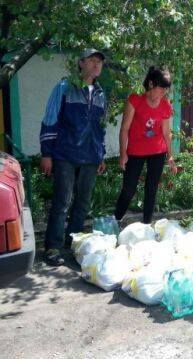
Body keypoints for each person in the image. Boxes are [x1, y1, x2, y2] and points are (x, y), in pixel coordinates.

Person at [39, 49, 107, 266]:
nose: (97, 65)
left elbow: (100, 129)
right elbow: (50, 119)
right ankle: (52, 247)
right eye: (92, 60)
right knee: (62, 202)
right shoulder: (64, 88)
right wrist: (46, 153)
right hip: (65, 154)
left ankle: (74, 244)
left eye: (100, 62)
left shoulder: (100, 94)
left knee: (83, 203)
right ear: (81, 63)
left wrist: (101, 155)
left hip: (90, 156)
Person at [114, 66, 176, 224]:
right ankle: (115, 220)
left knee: (151, 189)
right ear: (150, 84)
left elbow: (166, 132)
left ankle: (147, 225)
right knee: (129, 189)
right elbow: (124, 129)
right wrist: (123, 154)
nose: (163, 93)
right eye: (161, 89)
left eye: (165, 90)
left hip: (157, 152)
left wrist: (170, 156)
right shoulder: (135, 100)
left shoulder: (165, 105)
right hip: (135, 152)